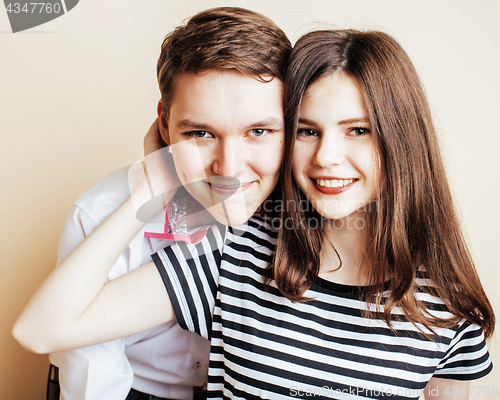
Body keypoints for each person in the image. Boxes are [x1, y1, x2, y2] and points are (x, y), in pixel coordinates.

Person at [13, 28, 494, 399]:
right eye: (307, 130)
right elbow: (43, 332)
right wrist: (156, 183)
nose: (326, 156)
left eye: (358, 130)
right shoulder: (239, 252)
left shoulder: (452, 310)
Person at [30, 7, 291, 400]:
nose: (228, 168)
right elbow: (93, 372)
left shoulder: (303, 209)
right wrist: (153, 190)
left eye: (259, 131)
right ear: (165, 124)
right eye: (201, 133)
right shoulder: (99, 213)